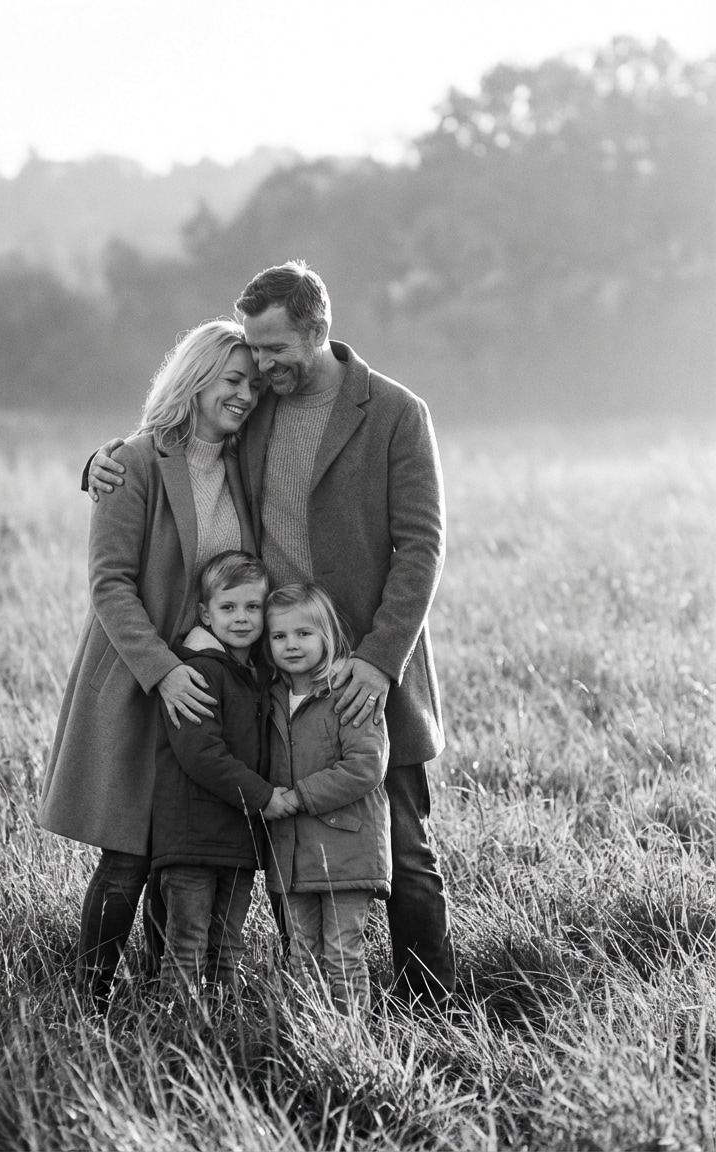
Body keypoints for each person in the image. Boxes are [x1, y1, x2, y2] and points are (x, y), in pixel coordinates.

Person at [87, 260, 454, 1007]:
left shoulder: (394, 413)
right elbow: (177, 438)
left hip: (366, 669)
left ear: (319, 332)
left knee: (405, 851)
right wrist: (98, 463)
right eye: (253, 351)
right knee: (289, 844)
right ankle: (311, 1004)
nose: (260, 367)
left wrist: (380, 663)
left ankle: (431, 1008)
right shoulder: (256, 411)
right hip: (275, 676)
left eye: (276, 350)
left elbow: (422, 548)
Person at [38, 318, 263, 1008]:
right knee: (129, 854)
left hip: (214, 689)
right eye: (232, 381)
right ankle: (90, 1001)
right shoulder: (134, 463)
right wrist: (164, 670)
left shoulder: (244, 466)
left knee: (187, 849)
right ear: (194, 381)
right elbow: (109, 584)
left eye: (253, 384)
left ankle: (171, 999)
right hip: (140, 679)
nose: (246, 395)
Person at [152, 550, 295, 997]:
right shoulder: (196, 673)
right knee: (188, 944)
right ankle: (177, 1037)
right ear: (205, 614)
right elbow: (202, 755)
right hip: (192, 838)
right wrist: (264, 797)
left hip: (239, 840)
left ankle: (224, 1032)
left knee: (228, 946)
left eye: (253, 607)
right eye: (228, 607)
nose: (241, 618)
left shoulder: (256, 676)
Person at [263, 582, 391, 1013]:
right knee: (300, 956)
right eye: (279, 636)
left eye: (303, 634)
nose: (291, 645)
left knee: (343, 955)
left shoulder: (348, 692)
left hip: (346, 848)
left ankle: (352, 1041)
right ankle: (312, 1038)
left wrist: (299, 797)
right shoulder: (271, 699)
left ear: (327, 635)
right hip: (291, 856)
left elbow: (366, 766)